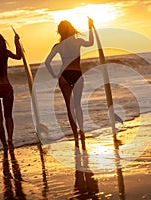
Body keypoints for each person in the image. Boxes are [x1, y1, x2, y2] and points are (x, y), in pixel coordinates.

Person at [45, 18, 94, 150]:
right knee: (77, 105)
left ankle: (75, 135)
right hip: (77, 74)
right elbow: (91, 43)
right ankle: (82, 131)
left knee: (69, 107)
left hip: (64, 77)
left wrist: (54, 75)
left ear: (60, 32)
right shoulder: (77, 42)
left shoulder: (58, 46)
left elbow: (47, 62)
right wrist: (90, 27)